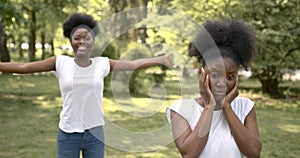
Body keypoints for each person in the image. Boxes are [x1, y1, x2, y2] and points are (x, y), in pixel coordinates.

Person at [0, 13, 173, 158]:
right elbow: (23, 67)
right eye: (77, 38)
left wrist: (161, 59)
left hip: (95, 134)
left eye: (87, 37)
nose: (82, 41)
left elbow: (133, 64)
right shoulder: (60, 62)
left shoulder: (103, 64)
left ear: (93, 42)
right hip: (68, 133)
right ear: (70, 41)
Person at [166, 19, 262, 158]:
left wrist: (227, 107)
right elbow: (189, 154)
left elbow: (254, 153)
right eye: (215, 74)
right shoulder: (181, 110)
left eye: (230, 77)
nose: (222, 83)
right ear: (202, 72)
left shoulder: (245, 107)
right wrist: (209, 106)